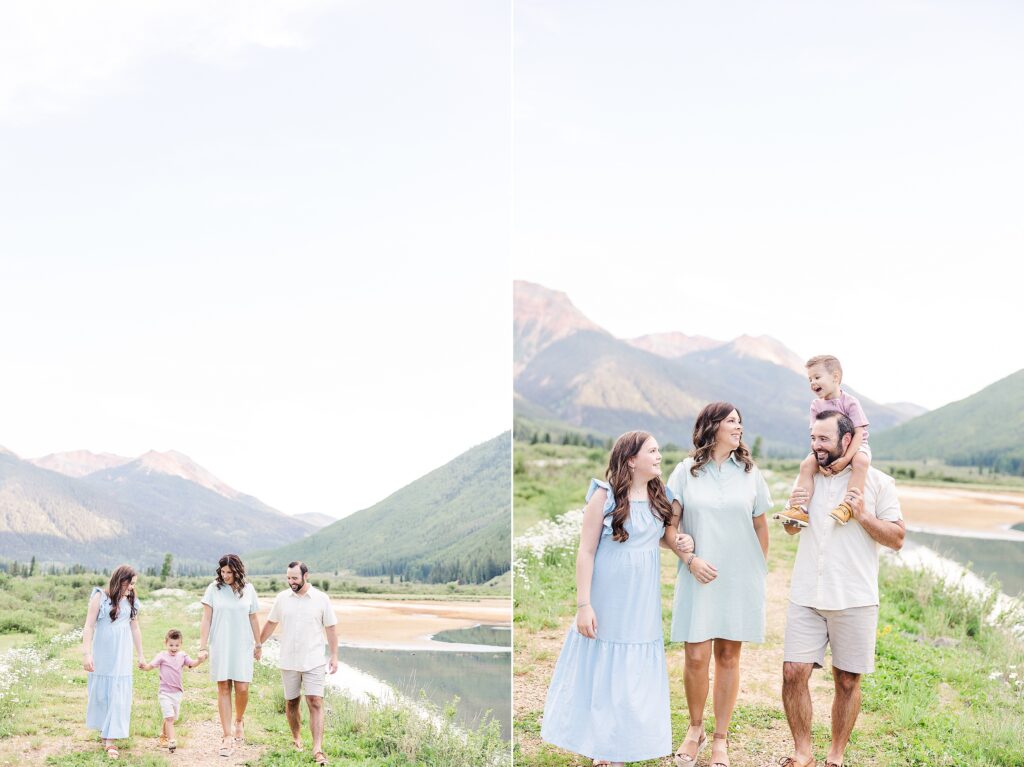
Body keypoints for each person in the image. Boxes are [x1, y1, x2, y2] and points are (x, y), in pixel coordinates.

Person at [540, 430, 694, 767]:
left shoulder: (661, 494)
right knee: (606, 668)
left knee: (633, 669)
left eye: (659, 451)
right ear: (631, 459)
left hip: (642, 597)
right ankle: (603, 749)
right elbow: (586, 551)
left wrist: (679, 543)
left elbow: (660, 537)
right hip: (608, 594)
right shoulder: (604, 495)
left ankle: (626, 742)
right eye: (652, 451)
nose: (658, 456)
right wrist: (584, 605)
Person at [777, 410, 904, 767]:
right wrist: (791, 516)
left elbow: (897, 538)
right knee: (792, 673)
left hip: (855, 597)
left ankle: (835, 755)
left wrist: (863, 515)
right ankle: (803, 752)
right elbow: (792, 529)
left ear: (847, 441)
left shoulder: (878, 482)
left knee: (847, 680)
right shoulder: (808, 479)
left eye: (823, 440)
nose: (816, 446)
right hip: (806, 594)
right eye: (812, 439)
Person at [668, 402, 772, 767]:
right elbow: (670, 526)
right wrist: (689, 559)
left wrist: (757, 568)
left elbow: (761, 525)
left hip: (739, 577)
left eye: (741, 422)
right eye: (732, 422)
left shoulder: (749, 471)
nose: (739, 428)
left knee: (728, 656)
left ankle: (720, 739)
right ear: (712, 427)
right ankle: (694, 730)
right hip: (698, 573)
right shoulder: (684, 471)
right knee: (695, 656)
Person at [259, 561, 339, 766]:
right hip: (289, 659)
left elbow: (331, 628)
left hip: (313, 660)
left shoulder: (321, 599)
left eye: (294, 578)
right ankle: (297, 739)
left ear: (306, 576)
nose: (291, 582)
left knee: (315, 701)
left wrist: (334, 655)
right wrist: (258, 644)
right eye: (288, 578)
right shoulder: (282, 598)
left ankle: (317, 749)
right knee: (292, 702)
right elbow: (271, 623)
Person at [776, 355, 871, 527]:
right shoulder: (816, 405)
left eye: (817, 377)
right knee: (806, 465)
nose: (813, 382)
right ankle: (800, 509)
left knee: (861, 461)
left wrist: (845, 459)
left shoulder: (850, 402)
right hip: (826, 448)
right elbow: (815, 435)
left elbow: (859, 432)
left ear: (835, 377)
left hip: (855, 446)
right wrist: (819, 460)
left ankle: (848, 506)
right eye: (810, 379)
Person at [198, 553, 262, 758]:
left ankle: (239, 720)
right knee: (223, 686)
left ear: (238, 571)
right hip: (220, 644)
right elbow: (206, 619)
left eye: (229, 572)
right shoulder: (213, 589)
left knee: (242, 687)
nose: (225, 575)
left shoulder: (249, 589)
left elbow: (253, 618)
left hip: (242, 645)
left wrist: (258, 643)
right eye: (223, 571)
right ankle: (226, 736)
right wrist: (203, 646)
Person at [82, 564, 144, 760]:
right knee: (102, 694)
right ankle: (105, 730)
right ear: (120, 581)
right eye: (130, 584)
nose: (132, 588)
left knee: (118, 692)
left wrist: (141, 654)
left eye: (134, 584)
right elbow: (89, 626)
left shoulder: (131, 600)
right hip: (103, 653)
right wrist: (87, 653)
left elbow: (135, 628)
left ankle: (110, 739)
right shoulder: (100, 597)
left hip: (123, 654)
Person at [141, 628, 203, 752]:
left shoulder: (182, 656)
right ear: (166, 643)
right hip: (164, 692)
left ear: (181, 644)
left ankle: (163, 736)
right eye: (171, 645)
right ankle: (172, 741)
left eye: (177, 645)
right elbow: (151, 666)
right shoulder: (162, 656)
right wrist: (144, 666)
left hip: (177, 693)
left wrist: (200, 660)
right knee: (169, 718)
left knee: (172, 718)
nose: (174, 648)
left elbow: (192, 664)